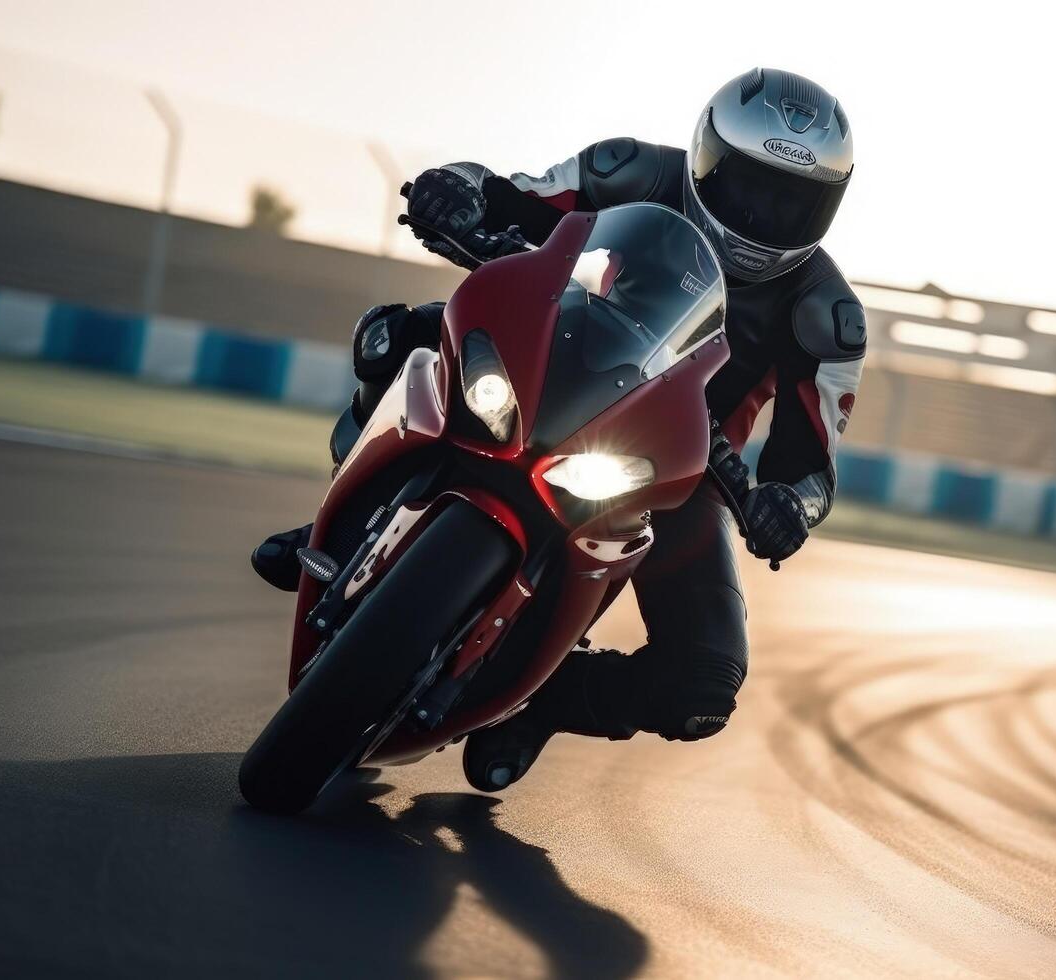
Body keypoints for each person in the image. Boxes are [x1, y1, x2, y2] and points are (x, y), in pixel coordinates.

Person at [251, 68, 866, 792]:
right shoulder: (629, 169)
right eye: (750, 187)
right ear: (707, 158)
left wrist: (789, 507)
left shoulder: (826, 318)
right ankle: (338, 513)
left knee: (705, 683)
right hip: (555, 358)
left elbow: (812, 468)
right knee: (396, 336)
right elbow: (515, 197)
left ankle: (545, 703)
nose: (763, 216)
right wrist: (458, 189)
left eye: (791, 202)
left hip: (678, 462)